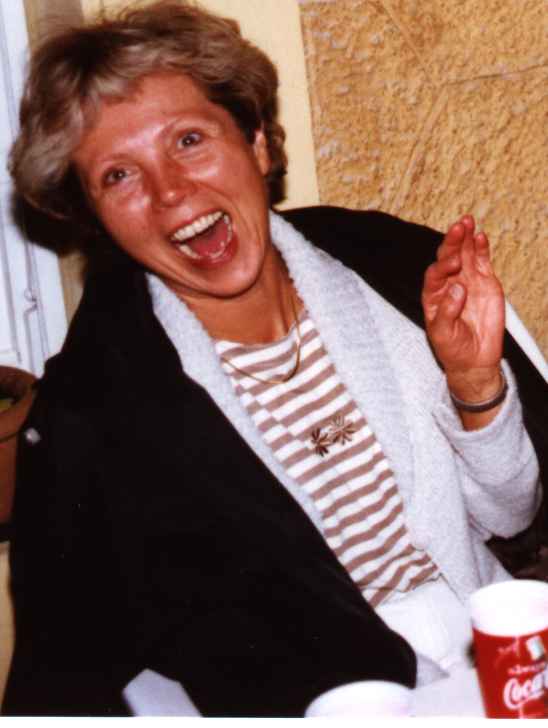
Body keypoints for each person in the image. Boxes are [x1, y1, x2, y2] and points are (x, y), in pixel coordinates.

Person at [2, 0, 545, 717]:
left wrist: (473, 383)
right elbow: (69, 665)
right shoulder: (97, 407)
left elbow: (515, 518)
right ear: (96, 219)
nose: (170, 192)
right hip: (323, 702)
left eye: (189, 139)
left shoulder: (394, 270)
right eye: (119, 176)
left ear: (257, 142)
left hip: (494, 653)